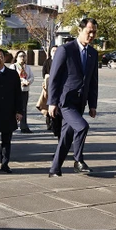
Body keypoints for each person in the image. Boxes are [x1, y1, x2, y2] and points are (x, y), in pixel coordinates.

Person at [48, 18, 99, 177]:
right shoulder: (65, 49)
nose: (91, 35)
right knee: (82, 126)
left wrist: (92, 104)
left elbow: (93, 81)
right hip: (66, 102)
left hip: (80, 102)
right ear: (80, 30)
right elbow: (54, 78)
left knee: (66, 136)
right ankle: (78, 160)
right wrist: (52, 102)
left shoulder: (92, 53)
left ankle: (54, 170)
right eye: (88, 31)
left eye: (94, 32)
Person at [9, 50, 34, 133]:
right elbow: (12, 78)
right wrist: (21, 82)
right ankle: (12, 125)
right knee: (14, 108)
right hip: (15, 91)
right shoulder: (13, 66)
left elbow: (31, 77)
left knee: (23, 109)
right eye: (20, 56)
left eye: (24, 56)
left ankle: (24, 126)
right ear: (16, 57)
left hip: (25, 90)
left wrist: (28, 82)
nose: (22, 58)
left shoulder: (27, 67)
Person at [39, 46, 61, 135]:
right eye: (53, 50)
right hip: (48, 85)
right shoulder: (47, 61)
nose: (54, 52)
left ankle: (56, 125)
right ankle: (49, 123)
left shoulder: (60, 61)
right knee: (48, 104)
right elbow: (44, 73)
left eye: (56, 50)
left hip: (58, 87)